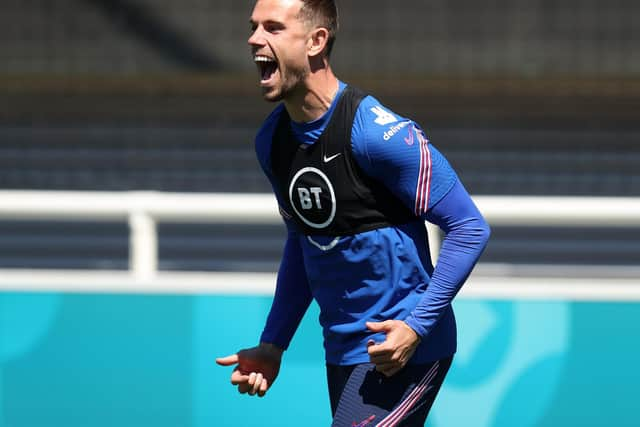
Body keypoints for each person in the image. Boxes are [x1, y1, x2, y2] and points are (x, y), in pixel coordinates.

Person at [216, 0, 491, 425]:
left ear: (316, 41)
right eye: (253, 27)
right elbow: (304, 242)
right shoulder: (271, 142)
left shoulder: (377, 134)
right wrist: (273, 345)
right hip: (344, 351)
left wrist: (415, 327)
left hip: (404, 352)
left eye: (273, 27)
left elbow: (469, 227)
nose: (254, 38)